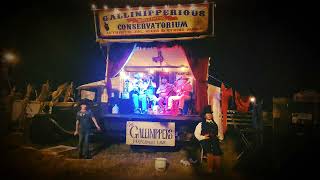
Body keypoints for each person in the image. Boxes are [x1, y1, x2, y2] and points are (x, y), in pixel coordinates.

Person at [194, 105, 223, 173]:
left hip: (214, 139)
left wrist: (218, 137)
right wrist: (204, 137)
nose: (209, 115)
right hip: (205, 140)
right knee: (209, 150)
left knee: (217, 151)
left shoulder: (214, 124)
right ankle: (210, 168)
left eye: (210, 114)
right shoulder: (201, 124)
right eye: (208, 114)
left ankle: (218, 169)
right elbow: (196, 134)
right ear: (204, 115)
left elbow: (218, 133)